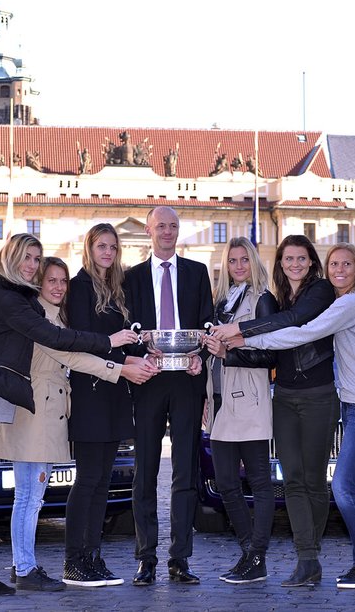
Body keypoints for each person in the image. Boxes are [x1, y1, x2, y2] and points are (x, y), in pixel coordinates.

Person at [0, 233, 138, 597]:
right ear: (12, 260)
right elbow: (66, 348)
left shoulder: (16, 302)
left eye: (38, 260)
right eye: (30, 261)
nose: (34, 268)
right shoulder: (16, 304)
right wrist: (115, 350)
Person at [231, 243, 355, 590]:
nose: (339, 269)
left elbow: (303, 332)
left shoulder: (350, 302)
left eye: (346, 264)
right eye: (334, 263)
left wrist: (241, 336)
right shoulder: (344, 301)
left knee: (343, 486)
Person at [0, 256, 156, 592]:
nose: (58, 287)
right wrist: (121, 366)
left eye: (62, 281)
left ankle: (38, 565)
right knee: (28, 497)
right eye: (50, 280)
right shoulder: (37, 317)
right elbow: (71, 355)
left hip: (48, 412)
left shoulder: (53, 316)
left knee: (32, 496)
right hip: (34, 413)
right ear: (38, 284)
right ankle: (27, 568)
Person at [209, 234, 336, 587]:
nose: (294, 264)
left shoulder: (303, 294)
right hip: (273, 397)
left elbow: (277, 342)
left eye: (244, 260)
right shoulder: (227, 300)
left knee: (302, 481)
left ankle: (300, 555)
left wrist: (234, 341)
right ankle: (259, 553)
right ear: (279, 264)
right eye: (287, 259)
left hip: (295, 395)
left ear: (311, 261)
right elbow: (271, 350)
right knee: (278, 481)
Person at [63, 225, 159, 587]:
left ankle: (93, 556)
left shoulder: (116, 288)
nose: (108, 252)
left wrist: (144, 348)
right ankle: (74, 561)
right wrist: (113, 341)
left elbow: (124, 342)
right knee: (87, 480)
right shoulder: (79, 286)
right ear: (88, 248)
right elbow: (80, 340)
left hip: (116, 391)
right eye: (101, 246)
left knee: (102, 482)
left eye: (113, 247)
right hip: (90, 391)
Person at [124, 206, 214, 586]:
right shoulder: (131, 278)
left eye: (173, 226)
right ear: (149, 230)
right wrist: (142, 351)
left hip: (186, 381)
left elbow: (207, 323)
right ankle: (146, 558)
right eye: (160, 225)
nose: (167, 231)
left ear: (179, 231)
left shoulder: (197, 272)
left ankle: (180, 558)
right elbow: (125, 326)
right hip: (147, 379)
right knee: (144, 471)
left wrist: (201, 356)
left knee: (185, 472)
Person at [200, 237, 277, 584]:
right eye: (232, 261)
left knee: (260, 484)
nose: (239, 266)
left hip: (250, 404)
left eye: (244, 259)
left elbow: (271, 355)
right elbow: (211, 355)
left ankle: (257, 555)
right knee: (227, 484)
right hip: (219, 406)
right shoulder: (221, 303)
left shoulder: (264, 301)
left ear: (254, 261)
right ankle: (249, 552)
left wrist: (226, 353)